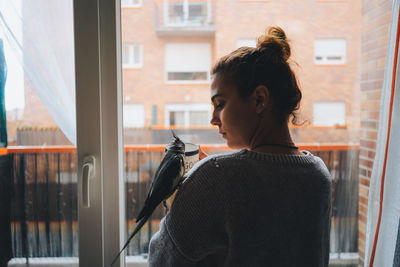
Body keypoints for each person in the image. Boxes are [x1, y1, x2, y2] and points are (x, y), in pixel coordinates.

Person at [148, 26, 332, 267]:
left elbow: (161, 261)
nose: (213, 119)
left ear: (259, 99)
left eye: (220, 104)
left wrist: (184, 198)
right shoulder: (318, 174)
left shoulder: (214, 177)